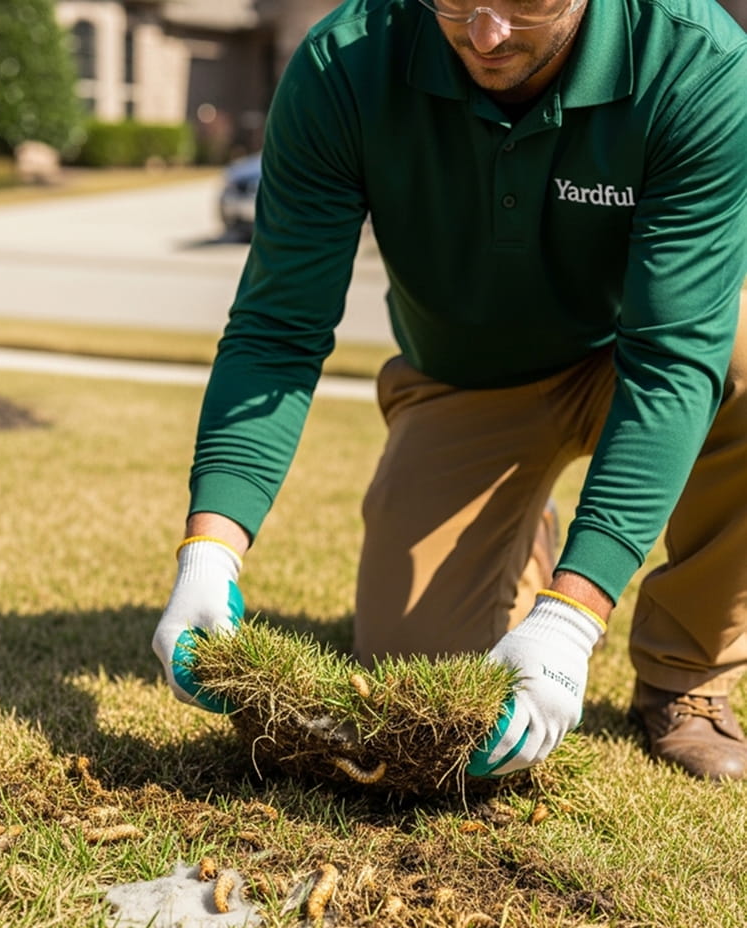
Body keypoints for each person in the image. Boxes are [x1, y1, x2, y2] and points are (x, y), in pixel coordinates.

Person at [153, 0, 747, 781]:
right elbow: (278, 330)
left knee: (741, 362)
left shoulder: (697, 62)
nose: (485, 33)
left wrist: (573, 617)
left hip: (632, 354)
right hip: (467, 380)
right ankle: (526, 532)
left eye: (525, 1)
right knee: (422, 673)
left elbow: (673, 360)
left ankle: (686, 674)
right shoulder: (344, 65)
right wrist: (209, 552)